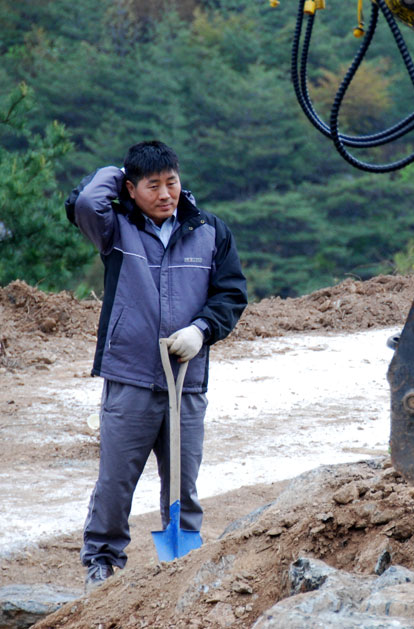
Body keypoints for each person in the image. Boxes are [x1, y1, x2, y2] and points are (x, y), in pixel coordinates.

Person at [65, 140, 247, 591]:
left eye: (172, 182)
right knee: (115, 481)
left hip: (187, 380)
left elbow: (231, 295)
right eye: (153, 185)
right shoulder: (115, 229)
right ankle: (103, 561)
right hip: (130, 376)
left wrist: (202, 330)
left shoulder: (209, 231)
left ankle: (184, 563)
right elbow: (86, 201)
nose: (166, 194)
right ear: (131, 188)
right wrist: (118, 169)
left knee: (183, 483)